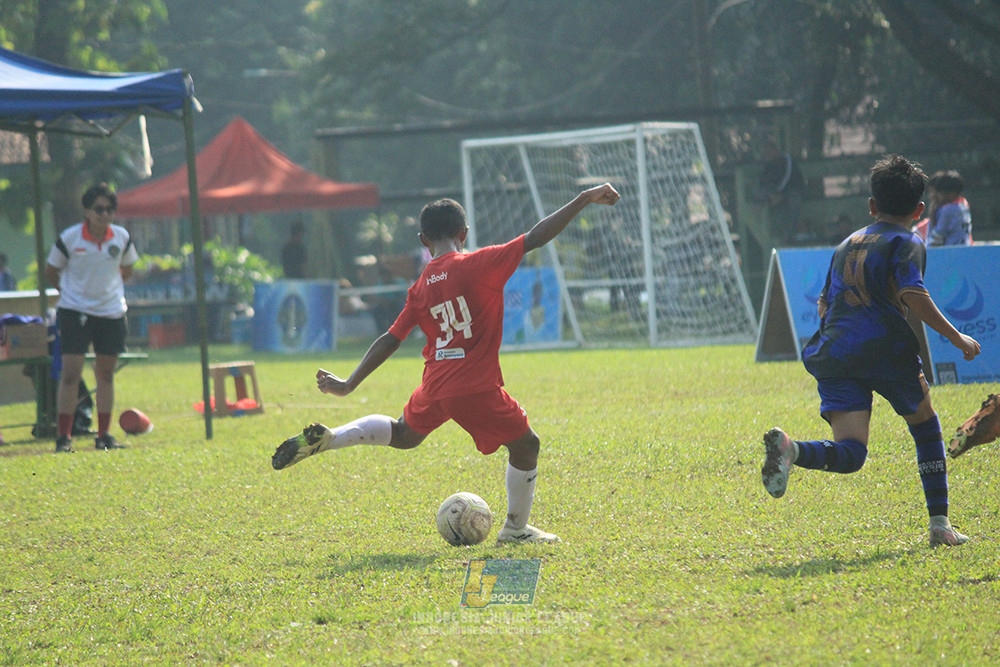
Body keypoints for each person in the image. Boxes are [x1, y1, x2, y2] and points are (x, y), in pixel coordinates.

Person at [270, 183, 621, 544]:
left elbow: (391, 338)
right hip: (475, 386)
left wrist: (348, 384)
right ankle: (515, 530)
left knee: (404, 434)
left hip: (436, 384)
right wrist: (582, 198)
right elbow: (534, 237)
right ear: (463, 233)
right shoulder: (480, 263)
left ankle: (332, 438)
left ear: (424, 240)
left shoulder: (420, 286)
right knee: (527, 444)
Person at [760, 154, 981, 547]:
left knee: (853, 452)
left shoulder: (848, 243)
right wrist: (956, 337)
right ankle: (940, 526)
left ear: (871, 206)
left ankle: (792, 450)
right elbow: (913, 293)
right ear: (919, 210)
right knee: (926, 427)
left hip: (835, 352)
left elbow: (824, 303)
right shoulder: (908, 242)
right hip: (883, 349)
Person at [45, 183, 139, 453]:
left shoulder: (121, 237)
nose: (104, 214)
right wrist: (71, 294)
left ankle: (104, 436)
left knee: (106, 373)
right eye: (99, 209)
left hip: (111, 312)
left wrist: (106, 292)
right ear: (87, 210)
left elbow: (128, 268)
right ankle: (64, 438)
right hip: (75, 311)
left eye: (110, 209)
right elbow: (52, 270)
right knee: (71, 372)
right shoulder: (71, 238)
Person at [758, 139, 807, 245]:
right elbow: (763, 182)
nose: (767, 155)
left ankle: (787, 236)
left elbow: (787, 179)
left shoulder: (787, 160)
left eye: (769, 151)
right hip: (776, 193)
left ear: (775, 150)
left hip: (791, 191)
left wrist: (779, 193)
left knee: (794, 203)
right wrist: (771, 194)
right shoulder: (767, 164)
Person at [925, 170, 972, 246]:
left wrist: (932, 213)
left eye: (940, 193)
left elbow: (937, 237)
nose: (938, 196)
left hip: (950, 252)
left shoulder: (947, 210)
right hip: (964, 248)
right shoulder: (964, 204)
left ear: (951, 193)